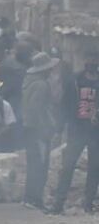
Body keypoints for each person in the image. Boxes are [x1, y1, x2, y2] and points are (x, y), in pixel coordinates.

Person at [50, 49, 99, 214]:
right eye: (89, 57)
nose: (92, 61)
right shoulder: (75, 80)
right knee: (68, 166)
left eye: (95, 58)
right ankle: (58, 204)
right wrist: (59, 129)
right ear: (85, 60)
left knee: (95, 168)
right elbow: (65, 105)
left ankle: (88, 203)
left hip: (95, 131)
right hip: (77, 129)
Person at [22, 52, 59, 210]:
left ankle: (29, 197)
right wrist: (45, 130)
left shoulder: (29, 82)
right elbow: (37, 110)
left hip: (29, 128)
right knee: (40, 165)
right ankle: (35, 199)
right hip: (38, 130)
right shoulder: (42, 85)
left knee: (33, 164)